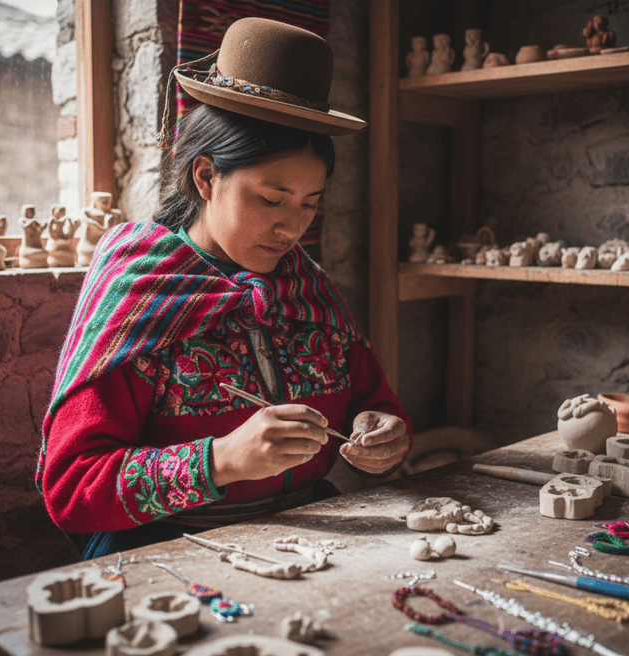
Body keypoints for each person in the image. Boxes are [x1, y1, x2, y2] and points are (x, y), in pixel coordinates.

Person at [36, 17, 412, 559]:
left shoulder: (308, 288)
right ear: (206, 177)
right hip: (169, 547)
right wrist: (221, 461)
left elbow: (371, 401)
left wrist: (384, 431)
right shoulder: (143, 289)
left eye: (310, 203)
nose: (293, 228)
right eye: (270, 198)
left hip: (309, 534)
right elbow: (72, 487)